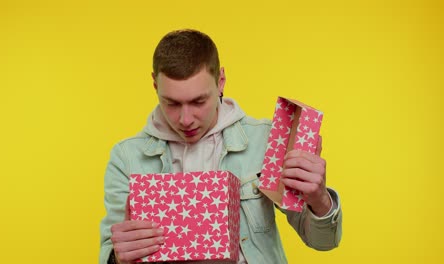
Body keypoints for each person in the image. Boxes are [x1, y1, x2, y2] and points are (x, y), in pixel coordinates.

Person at [99, 29, 342, 264]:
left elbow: (324, 242)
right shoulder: (127, 158)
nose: (185, 119)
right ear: (155, 85)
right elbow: (111, 251)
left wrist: (319, 199)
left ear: (221, 81)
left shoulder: (266, 140)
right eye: (171, 103)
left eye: (199, 101)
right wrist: (119, 258)